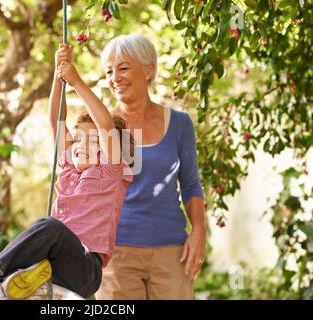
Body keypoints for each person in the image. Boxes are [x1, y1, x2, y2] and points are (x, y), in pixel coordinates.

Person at [0, 43, 134, 300]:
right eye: (78, 140)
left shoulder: (109, 173)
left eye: (94, 141)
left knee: (50, 228)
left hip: (84, 270)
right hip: (50, 264)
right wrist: (58, 75)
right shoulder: (68, 170)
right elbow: (57, 120)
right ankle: (8, 278)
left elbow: (106, 124)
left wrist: (75, 80)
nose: (82, 146)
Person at [95, 34, 206, 300]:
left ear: (148, 69)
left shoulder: (180, 124)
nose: (115, 78)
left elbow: (191, 183)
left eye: (123, 68)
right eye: (109, 71)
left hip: (171, 252)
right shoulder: (103, 126)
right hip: (115, 254)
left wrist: (199, 230)